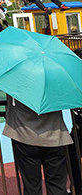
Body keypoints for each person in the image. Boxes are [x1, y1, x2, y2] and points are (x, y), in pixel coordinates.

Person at [2, 94, 72, 195]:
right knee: (57, 185)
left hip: (25, 138)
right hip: (54, 137)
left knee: (32, 186)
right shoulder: (53, 82)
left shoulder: (16, 85)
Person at [68, 48, 82, 194]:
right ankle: (77, 187)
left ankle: (78, 188)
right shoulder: (72, 83)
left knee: (72, 153)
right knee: (71, 152)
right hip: (78, 128)